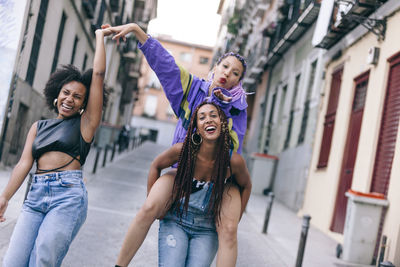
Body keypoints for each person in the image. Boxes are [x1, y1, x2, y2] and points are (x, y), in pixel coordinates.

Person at [104, 23, 249, 266]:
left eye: (236, 73)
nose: (228, 73)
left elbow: (233, 152)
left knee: (229, 231)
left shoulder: (238, 109)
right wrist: (137, 31)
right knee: (149, 208)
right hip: (182, 172)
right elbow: (166, 65)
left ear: (238, 82)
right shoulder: (192, 89)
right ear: (215, 67)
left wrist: (223, 106)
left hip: (217, 181)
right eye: (225, 66)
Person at [0, 27, 112, 266]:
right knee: (12, 261)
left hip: (67, 196)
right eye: (66, 93)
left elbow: (99, 75)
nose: (70, 99)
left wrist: (100, 38)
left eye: (78, 97)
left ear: (84, 103)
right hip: (35, 196)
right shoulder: (38, 127)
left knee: (43, 258)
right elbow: (23, 164)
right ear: (57, 94)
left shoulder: (86, 124)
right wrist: (5, 197)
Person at [131, 101, 251, 266]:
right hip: (177, 220)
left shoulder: (232, 160)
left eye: (213, 115)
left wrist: (235, 220)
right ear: (197, 128)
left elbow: (246, 185)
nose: (208, 119)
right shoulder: (184, 151)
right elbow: (156, 165)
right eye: (202, 117)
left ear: (223, 123)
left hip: (207, 229)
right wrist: (154, 205)